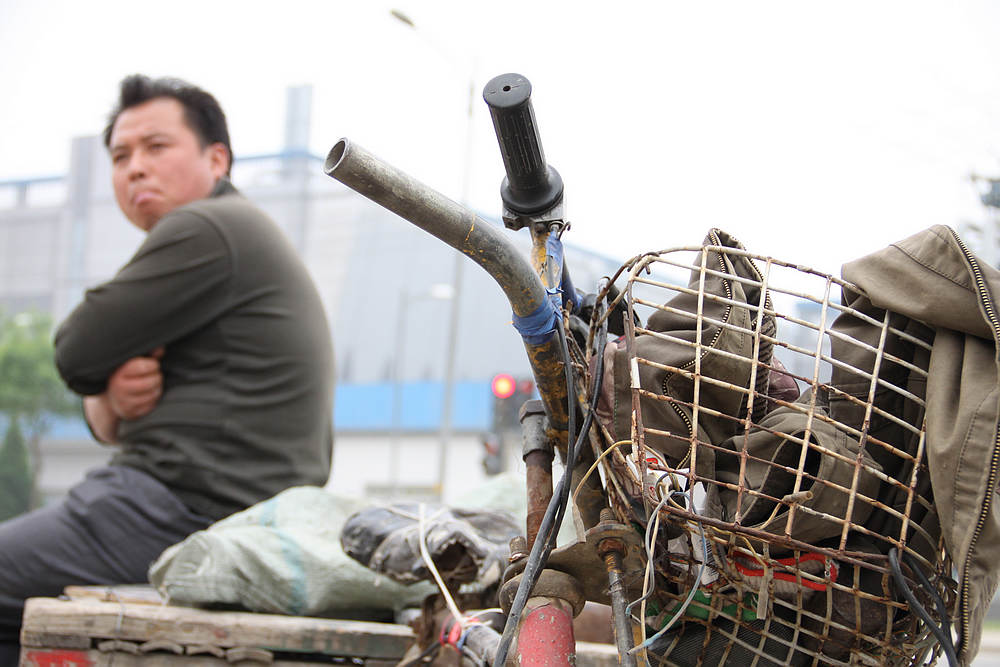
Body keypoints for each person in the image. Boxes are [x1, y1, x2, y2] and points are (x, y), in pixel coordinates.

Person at [0, 75, 334, 662]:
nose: (134, 168)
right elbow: (105, 405)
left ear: (217, 158)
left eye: (156, 147)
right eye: (120, 156)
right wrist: (110, 400)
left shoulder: (209, 227)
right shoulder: (227, 241)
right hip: (218, 510)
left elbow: (76, 352)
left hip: (176, 509)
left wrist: (99, 388)